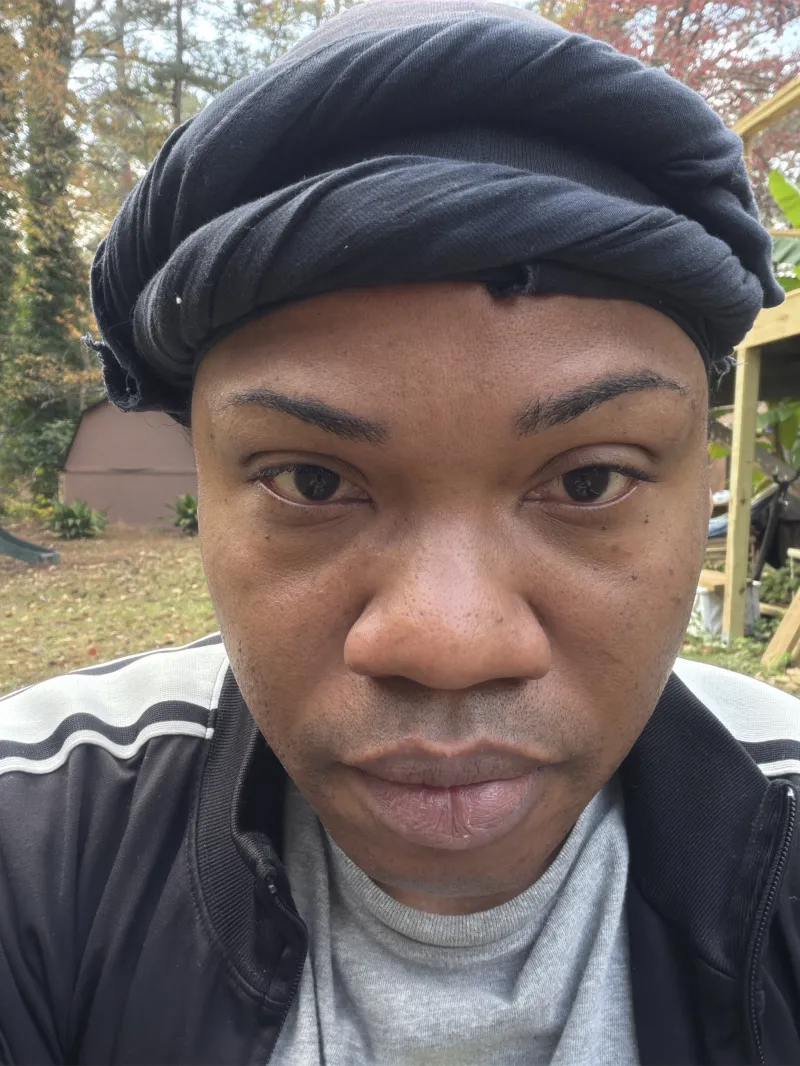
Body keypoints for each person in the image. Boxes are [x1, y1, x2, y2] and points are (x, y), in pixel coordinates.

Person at [1, 2, 799, 1063]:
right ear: (205, 484)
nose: (448, 645)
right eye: (312, 480)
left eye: (590, 479)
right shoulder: (36, 835)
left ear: (699, 481)